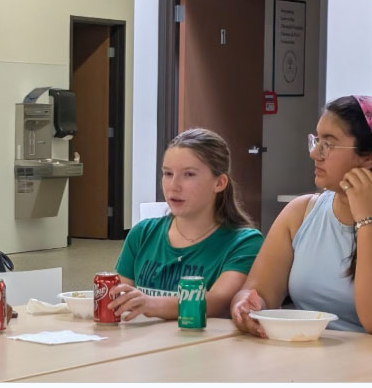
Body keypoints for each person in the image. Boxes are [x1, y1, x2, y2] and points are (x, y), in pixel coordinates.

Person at [231, 95, 372, 339]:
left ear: (371, 158)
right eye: (316, 140)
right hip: (320, 362)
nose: (315, 153)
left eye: (328, 144)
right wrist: (247, 305)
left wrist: (369, 219)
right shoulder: (300, 213)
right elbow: (260, 291)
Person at [109, 128, 264, 321]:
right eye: (167, 173)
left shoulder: (245, 242)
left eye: (189, 174)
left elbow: (219, 301)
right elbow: (123, 300)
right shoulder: (142, 233)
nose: (174, 185)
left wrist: (151, 303)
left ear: (220, 183)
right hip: (142, 345)